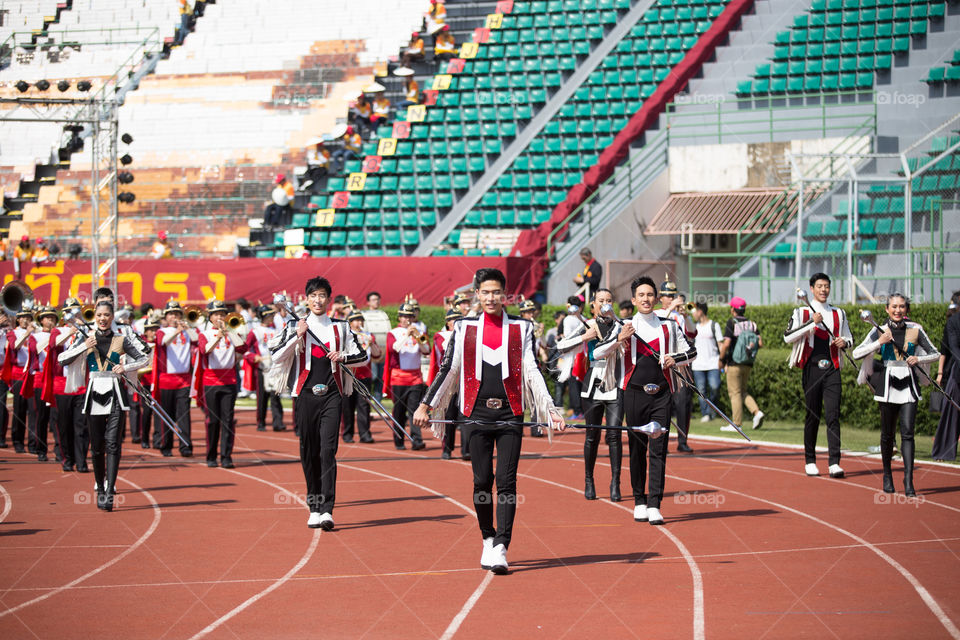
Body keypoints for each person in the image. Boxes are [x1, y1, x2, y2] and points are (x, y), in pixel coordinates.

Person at [413, 267, 565, 574]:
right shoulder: (464, 328)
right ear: (477, 295)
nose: (491, 298)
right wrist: (426, 404)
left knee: (507, 482)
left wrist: (550, 408)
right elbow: (450, 369)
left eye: (497, 292)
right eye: (485, 292)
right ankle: (487, 536)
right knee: (482, 480)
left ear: (505, 295)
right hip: (475, 413)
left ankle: (502, 546)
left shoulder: (522, 328)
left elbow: (533, 370)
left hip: (511, 413)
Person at [594, 276, 696, 526]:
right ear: (633, 300)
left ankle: (654, 504)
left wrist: (676, 358)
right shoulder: (623, 325)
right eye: (641, 295)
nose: (646, 299)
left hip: (661, 393)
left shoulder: (669, 326)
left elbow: (692, 352)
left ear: (657, 298)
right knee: (637, 448)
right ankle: (639, 500)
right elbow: (597, 353)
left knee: (659, 449)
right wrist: (619, 339)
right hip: (634, 394)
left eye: (650, 295)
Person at [268, 276, 368, 530]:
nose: (317, 300)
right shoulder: (295, 324)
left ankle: (327, 508)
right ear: (306, 299)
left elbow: (363, 356)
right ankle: (313, 504)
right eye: (313, 295)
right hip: (304, 395)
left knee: (327, 450)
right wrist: (297, 337)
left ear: (328, 299)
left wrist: (343, 356)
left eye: (322, 295)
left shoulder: (342, 327)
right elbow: (277, 355)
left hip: (333, 395)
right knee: (308, 451)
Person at [59, 301, 150, 510]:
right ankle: (100, 487)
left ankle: (109, 491)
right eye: (99, 315)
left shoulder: (121, 338)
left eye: (106, 315)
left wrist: (125, 367)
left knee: (113, 444)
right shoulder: (86, 337)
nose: (102, 318)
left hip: (116, 394)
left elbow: (144, 358)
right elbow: (62, 359)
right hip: (93, 395)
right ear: (95, 316)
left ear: (112, 317)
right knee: (97, 447)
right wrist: (84, 346)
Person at [853, 294, 939, 495]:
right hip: (887, 385)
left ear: (907, 309)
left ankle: (909, 481)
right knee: (887, 435)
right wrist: (878, 342)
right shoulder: (879, 329)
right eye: (894, 306)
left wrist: (918, 358)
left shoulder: (915, 329)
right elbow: (857, 353)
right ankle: (887, 475)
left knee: (908, 433)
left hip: (909, 384)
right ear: (887, 309)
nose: (898, 310)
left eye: (902, 306)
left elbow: (935, 353)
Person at [783, 273, 852, 478]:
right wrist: (812, 324)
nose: (823, 290)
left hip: (833, 368)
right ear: (811, 289)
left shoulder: (839, 313)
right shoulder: (801, 312)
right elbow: (788, 337)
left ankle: (834, 463)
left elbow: (849, 338)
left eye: (827, 286)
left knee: (833, 415)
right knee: (812, 414)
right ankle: (810, 460)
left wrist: (844, 343)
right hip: (811, 368)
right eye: (819, 286)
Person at [558, 289, 623, 501]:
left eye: (609, 301)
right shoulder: (586, 325)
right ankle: (589, 480)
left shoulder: (621, 325)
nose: (605, 304)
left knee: (614, 434)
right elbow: (561, 346)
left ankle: (615, 482)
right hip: (593, 382)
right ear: (593, 305)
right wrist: (584, 337)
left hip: (615, 381)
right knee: (592, 435)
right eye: (601, 301)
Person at [195, 300, 247, 468]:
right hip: (210, 381)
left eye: (222, 314)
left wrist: (229, 332)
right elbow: (205, 350)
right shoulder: (205, 334)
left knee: (228, 420)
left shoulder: (232, 332)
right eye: (216, 314)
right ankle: (211, 456)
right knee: (213, 420)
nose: (220, 317)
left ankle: (226, 456)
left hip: (229, 381)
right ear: (210, 317)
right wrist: (218, 337)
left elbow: (242, 348)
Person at [42, 298, 88, 470]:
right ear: (64, 315)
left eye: (77, 311)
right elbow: (54, 344)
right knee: (64, 425)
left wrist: (83, 330)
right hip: (62, 385)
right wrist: (71, 331)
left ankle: (81, 461)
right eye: (70, 312)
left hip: (82, 385)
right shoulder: (57, 331)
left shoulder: (86, 330)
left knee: (81, 425)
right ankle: (67, 459)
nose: (74, 315)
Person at [655, 282, 697, 454]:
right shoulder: (657, 313)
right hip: (662, 364)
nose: (672, 299)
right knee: (661, 404)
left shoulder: (680, 315)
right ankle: (660, 441)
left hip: (680, 365)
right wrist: (671, 308)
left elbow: (693, 333)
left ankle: (682, 440)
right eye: (668, 296)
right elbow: (656, 326)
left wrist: (686, 316)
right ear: (661, 298)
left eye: (673, 295)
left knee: (683, 404)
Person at [151, 300, 196, 457]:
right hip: (166, 379)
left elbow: (197, 340)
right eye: (171, 314)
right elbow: (162, 342)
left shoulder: (187, 331)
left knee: (184, 414)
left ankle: (185, 446)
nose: (174, 316)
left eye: (177, 313)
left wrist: (187, 328)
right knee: (166, 414)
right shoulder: (162, 331)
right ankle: (166, 445)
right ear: (166, 316)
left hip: (184, 379)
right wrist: (177, 331)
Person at [383, 303, 429, 450]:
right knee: (399, 412)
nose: (406, 319)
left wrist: (417, 336)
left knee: (414, 409)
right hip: (399, 377)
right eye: (403, 316)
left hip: (415, 377)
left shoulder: (420, 331)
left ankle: (417, 440)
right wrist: (406, 335)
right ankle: (399, 440)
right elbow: (394, 348)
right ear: (399, 317)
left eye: (409, 316)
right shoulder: (393, 332)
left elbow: (426, 349)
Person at [718, 296, 764, 434]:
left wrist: (721, 359)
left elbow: (726, 344)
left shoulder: (732, 322)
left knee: (735, 393)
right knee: (743, 391)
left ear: (733, 309)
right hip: (748, 362)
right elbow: (760, 343)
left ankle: (736, 424)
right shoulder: (752, 324)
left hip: (734, 363)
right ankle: (757, 412)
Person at [429, 309, 466, 459]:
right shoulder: (441, 336)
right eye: (453, 320)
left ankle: (467, 450)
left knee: (465, 419)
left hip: (464, 381)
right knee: (448, 417)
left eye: (459, 319)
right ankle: (447, 449)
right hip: (449, 383)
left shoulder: (468, 335)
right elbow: (443, 348)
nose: (457, 322)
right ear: (448, 322)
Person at [23, 304, 58, 460]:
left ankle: (60, 450)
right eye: (47, 318)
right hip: (40, 377)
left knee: (57, 416)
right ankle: (41, 449)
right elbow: (34, 351)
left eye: (52, 318)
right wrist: (52, 337)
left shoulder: (61, 334)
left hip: (55, 378)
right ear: (41, 321)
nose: (50, 321)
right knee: (41, 416)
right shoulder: (35, 336)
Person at [341, 310, 379, 444]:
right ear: (350, 322)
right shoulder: (346, 335)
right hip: (348, 376)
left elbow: (377, 355)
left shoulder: (368, 335)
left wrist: (372, 342)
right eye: (356, 320)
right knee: (347, 406)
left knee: (364, 406)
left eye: (361, 320)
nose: (359, 323)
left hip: (364, 376)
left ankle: (365, 434)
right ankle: (347, 433)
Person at [2, 303, 36, 453]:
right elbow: (14, 346)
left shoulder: (36, 331)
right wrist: (26, 334)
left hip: (32, 373)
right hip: (18, 373)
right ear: (18, 319)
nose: (25, 320)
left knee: (33, 409)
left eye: (28, 317)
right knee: (19, 408)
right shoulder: (13, 332)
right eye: (22, 318)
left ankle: (34, 443)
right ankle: (18, 441)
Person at [932, 293, 960, 460]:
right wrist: (941, 372)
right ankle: (944, 451)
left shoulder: (953, 322)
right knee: (951, 411)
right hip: (957, 373)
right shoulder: (953, 322)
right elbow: (950, 348)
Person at [690, 302, 723, 423]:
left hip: (713, 363)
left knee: (715, 387)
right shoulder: (693, 327)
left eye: (694, 311)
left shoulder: (714, 325)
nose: (693, 314)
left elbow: (721, 344)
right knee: (701, 391)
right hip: (698, 365)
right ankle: (706, 414)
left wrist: (722, 360)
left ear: (700, 311)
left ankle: (712, 409)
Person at [131, 313, 159, 449]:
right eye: (151, 329)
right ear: (146, 331)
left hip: (158, 382)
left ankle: (158, 439)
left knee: (159, 413)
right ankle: (145, 438)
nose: (153, 332)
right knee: (147, 412)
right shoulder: (141, 345)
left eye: (155, 329)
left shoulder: (161, 344)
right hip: (146, 382)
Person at [558, 296, 588, 419]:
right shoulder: (584, 319)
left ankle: (577, 411)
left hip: (572, 355)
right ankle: (583, 410)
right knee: (581, 383)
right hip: (583, 355)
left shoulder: (568, 319)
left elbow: (567, 337)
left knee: (573, 385)